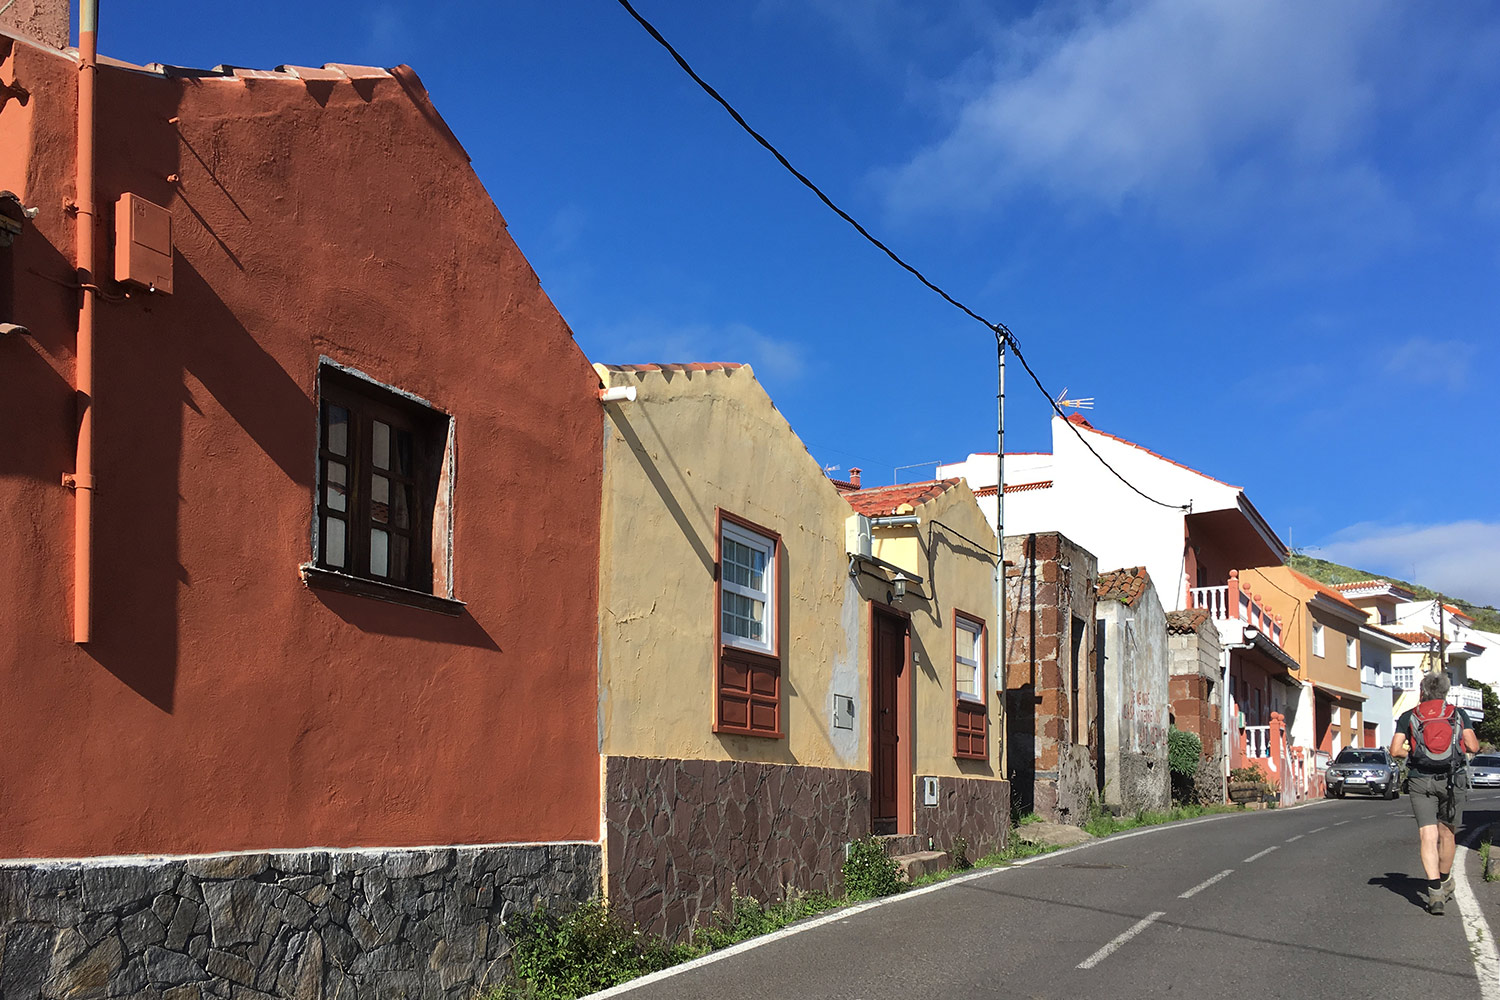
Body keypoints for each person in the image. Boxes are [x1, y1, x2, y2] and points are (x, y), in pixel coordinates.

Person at [1390, 670, 1479, 915]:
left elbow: (1395, 750)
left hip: (1420, 780)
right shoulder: (1458, 714)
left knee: (1427, 837)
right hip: (1452, 779)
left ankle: (1434, 892)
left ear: (1423, 691)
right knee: (1447, 834)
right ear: (1445, 691)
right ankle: (1445, 879)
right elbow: (1473, 745)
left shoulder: (1410, 716)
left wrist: (1416, 755)